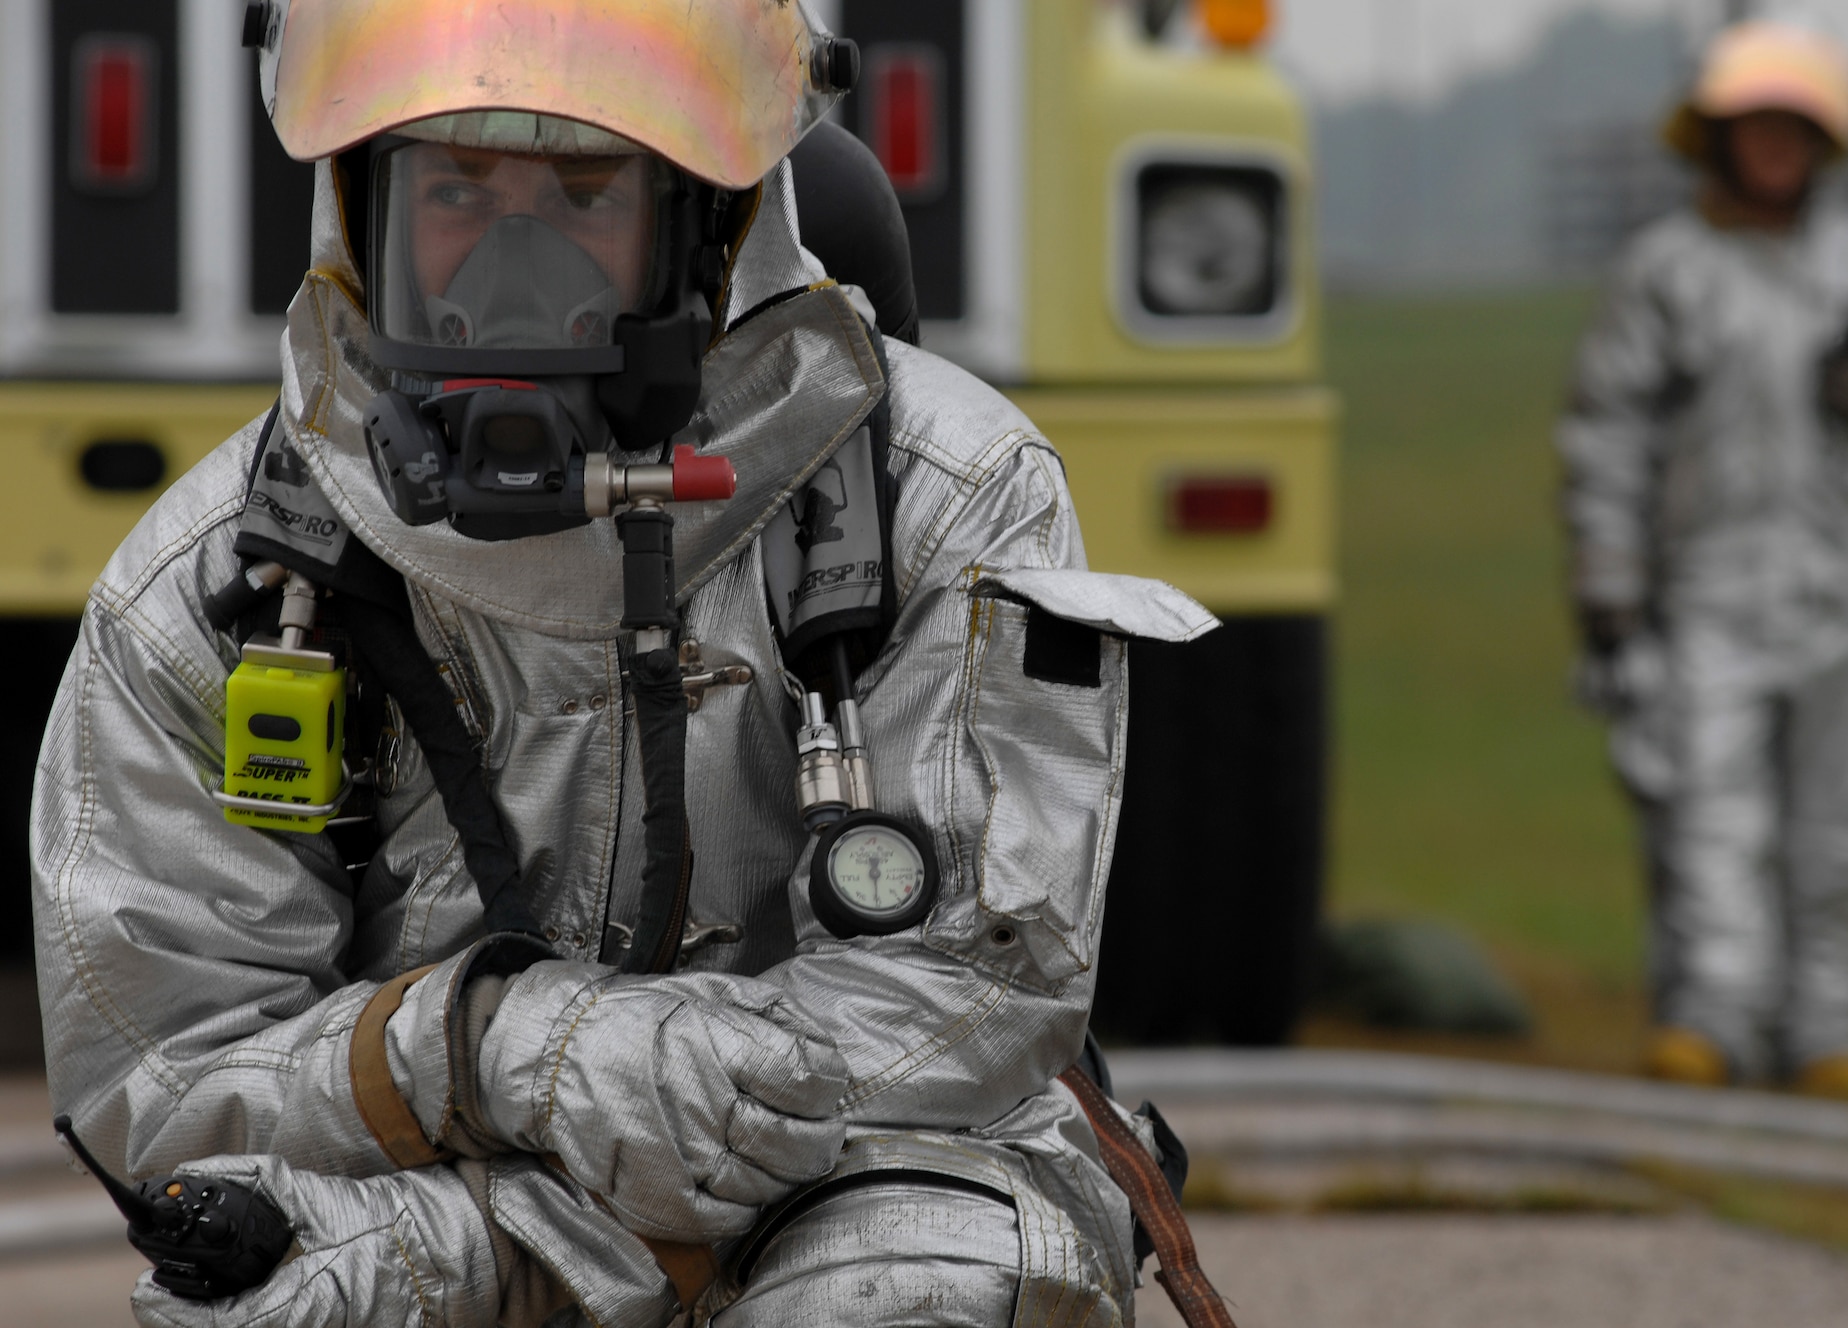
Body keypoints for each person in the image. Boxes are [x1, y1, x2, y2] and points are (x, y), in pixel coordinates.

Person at [31, 2, 1221, 1324]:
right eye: (459, 191)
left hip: (869, 1178)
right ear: (362, 211)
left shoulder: (946, 494)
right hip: (442, 1189)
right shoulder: (221, 586)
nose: (512, 266)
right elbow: (164, 1074)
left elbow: (975, 997)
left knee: (916, 1288)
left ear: (709, 224)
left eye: (586, 194)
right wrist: (509, 1055)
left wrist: (606, 1187)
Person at [1559, 20, 1848, 1098]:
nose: (1776, 147)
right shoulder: (1664, 271)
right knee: (1707, 816)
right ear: (1715, 137)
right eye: (1757, 127)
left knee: (1843, 830)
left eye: (1796, 128)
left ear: (1823, 141)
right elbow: (1605, 433)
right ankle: (1708, 1021)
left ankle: (1825, 1030)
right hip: (1707, 589)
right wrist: (1608, 587)